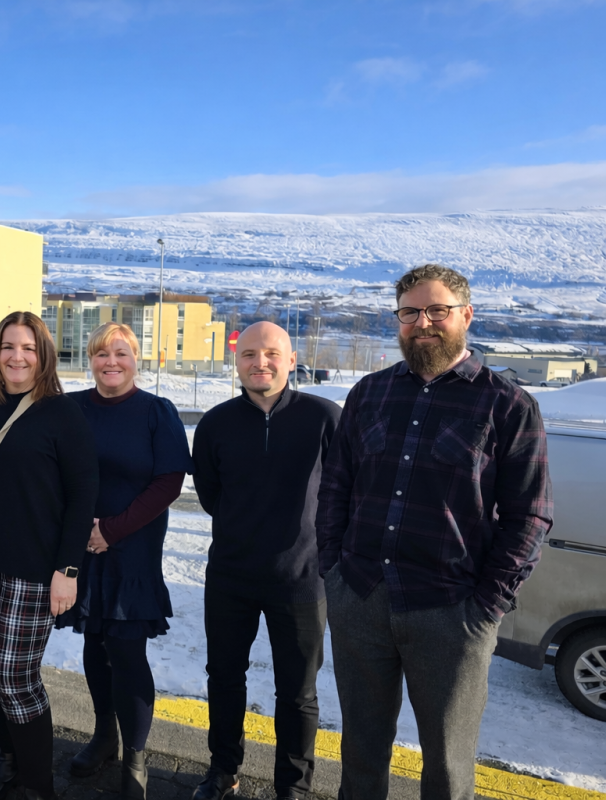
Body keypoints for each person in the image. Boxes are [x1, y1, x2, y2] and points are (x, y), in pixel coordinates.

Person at [317, 264, 553, 800]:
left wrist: (486, 606)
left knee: (447, 763)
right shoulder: (369, 394)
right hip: (361, 597)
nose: (422, 322)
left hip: (451, 610)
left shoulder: (508, 405)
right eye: (409, 312)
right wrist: (334, 571)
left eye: (436, 310)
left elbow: (531, 515)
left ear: (465, 315)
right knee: (361, 751)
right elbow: (336, 488)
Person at [0, 311, 99, 800]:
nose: (17, 356)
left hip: (34, 569)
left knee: (15, 676)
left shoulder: (62, 413)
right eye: (8, 346)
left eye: (28, 348)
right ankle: (9, 761)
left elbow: (82, 496)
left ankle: (38, 786)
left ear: (43, 355)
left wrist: (68, 569)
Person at [189, 321, 340, 800]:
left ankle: (293, 786)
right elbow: (211, 494)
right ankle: (223, 769)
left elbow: (344, 493)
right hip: (230, 576)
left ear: (291, 360)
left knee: (298, 693)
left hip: (302, 580)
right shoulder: (215, 424)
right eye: (249, 354)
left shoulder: (325, 418)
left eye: (272, 353)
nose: (261, 362)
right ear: (237, 361)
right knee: (224, 679)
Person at [58, 322, 192, 799]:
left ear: (137, 360)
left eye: (121, 353)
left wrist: (111, 531)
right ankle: (104, 736)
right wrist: (80, 531)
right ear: (89, 360)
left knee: (127, 651)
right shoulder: (71, 409)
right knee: (95, 642)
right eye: (101, 354)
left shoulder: (157, 411)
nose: (110, 362)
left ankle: (135, 757)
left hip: (132, 548)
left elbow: (168, 482)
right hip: (81, 546)